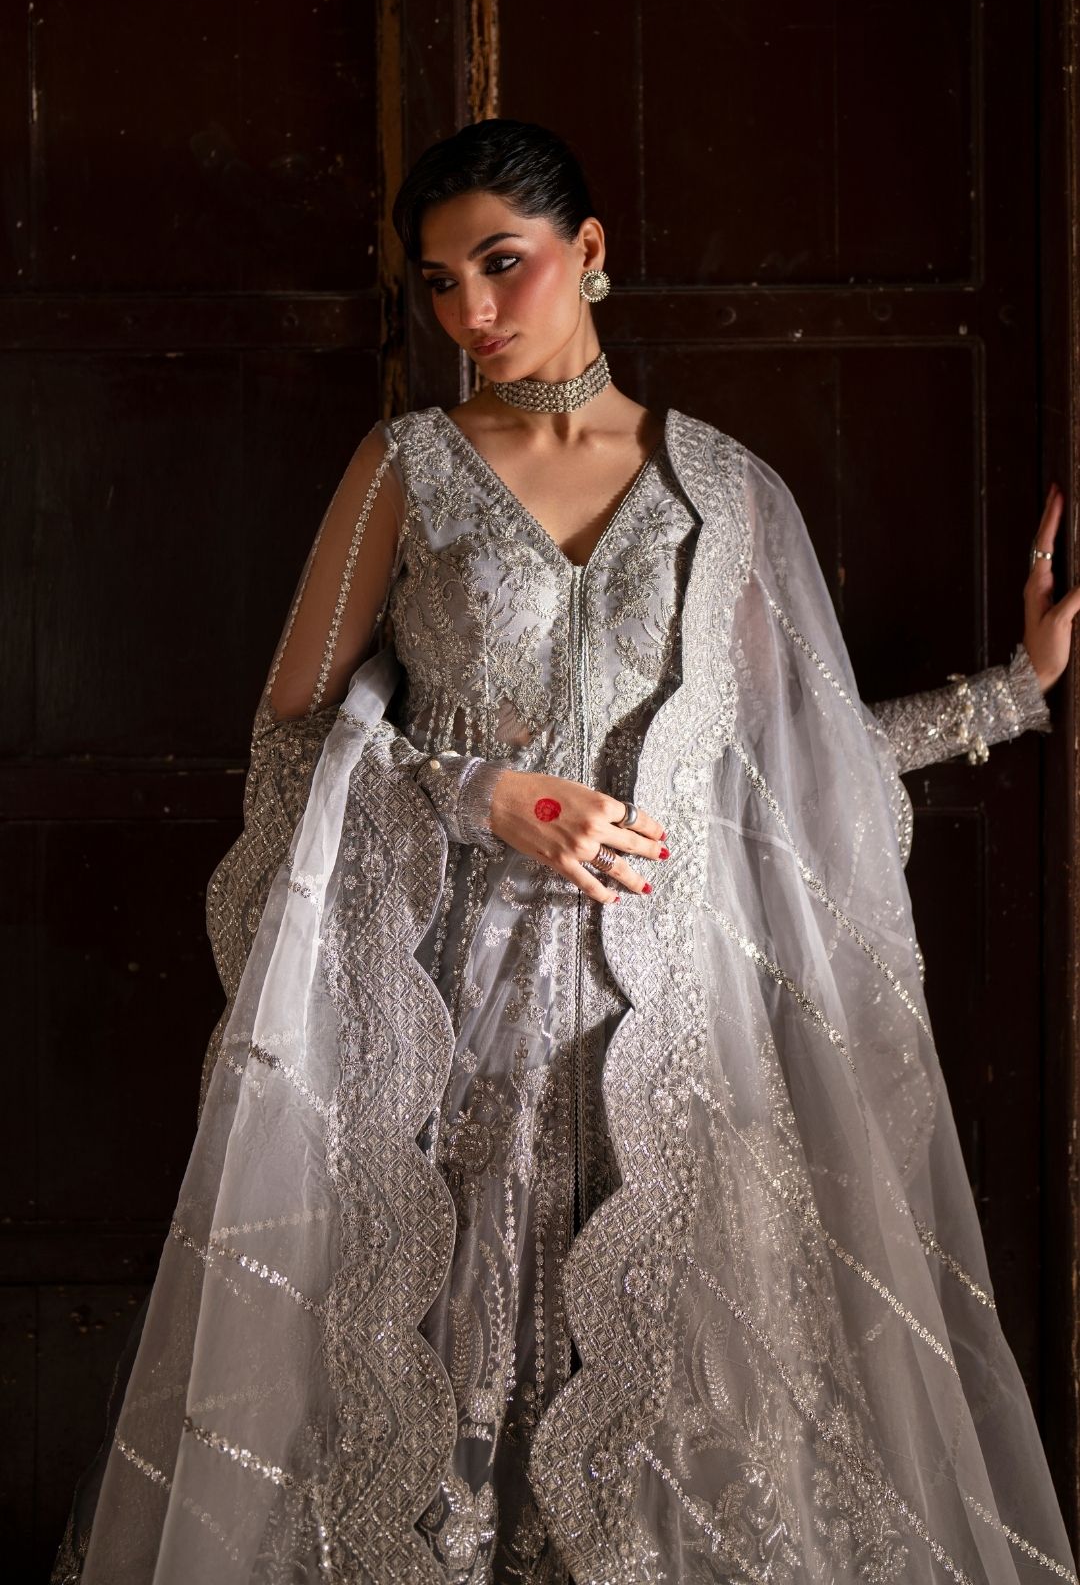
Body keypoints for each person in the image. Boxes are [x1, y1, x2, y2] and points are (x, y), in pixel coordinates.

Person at [52, 118, 1079, 1585]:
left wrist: (1012, 695)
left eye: (502, 264)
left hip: (671, 1045)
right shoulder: (408, 467)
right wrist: (485, 794)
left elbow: (801, 770)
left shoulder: (721, 494)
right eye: (439, 283)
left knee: (681, 1436)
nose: (472, 312)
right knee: (428, 1410)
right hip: (444, 1028)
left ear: (588, 252)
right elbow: (290, 746)